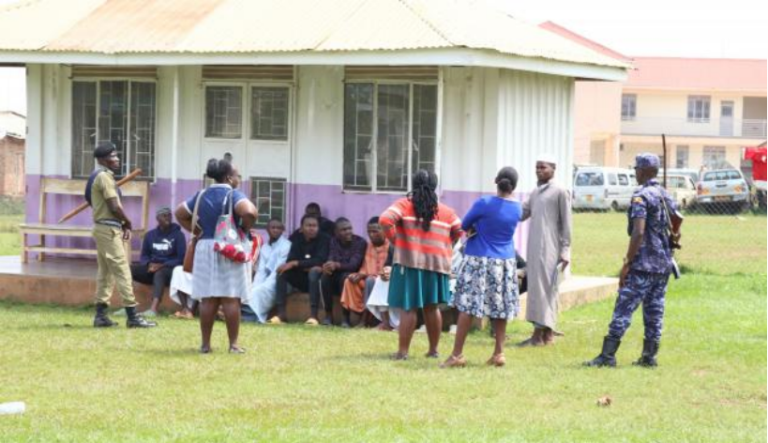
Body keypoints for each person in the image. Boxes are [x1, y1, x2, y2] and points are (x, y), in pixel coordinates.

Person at [585, 154, 677, 368]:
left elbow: (638, 232)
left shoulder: (641, 196)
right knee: (655, 311)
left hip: (643, 264)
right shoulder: (665, 195)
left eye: (637, 169)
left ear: (643, 171)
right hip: (662, 264)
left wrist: (627, 262)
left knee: (623, 309)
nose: (635, 172)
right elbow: (676, 226)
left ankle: (607, 356)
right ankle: (649, 357)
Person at [175, 158, 257, 354]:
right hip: (228, 247)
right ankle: (233, 345)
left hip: (205, 247)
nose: (239, 179)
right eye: (237, 175)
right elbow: (250, 212)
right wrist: (244, 229)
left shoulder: (201, 194)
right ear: (229, 178)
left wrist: (197, 231)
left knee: (208, 298)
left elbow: (179, 213)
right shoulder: (233, 194)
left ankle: (205, 345)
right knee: (231, 297)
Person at [442, 167, 522, 368]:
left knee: (467, 306)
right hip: (505, 263)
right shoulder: (518, 208)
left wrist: (476, 228)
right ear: (514, 186)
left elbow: (464, 225)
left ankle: (457, 355)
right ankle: (499, 353)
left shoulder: (484, 203)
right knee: (500, 308)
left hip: (479, 259)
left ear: (496, 181)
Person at [380, 169, 463, 360]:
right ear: (435, 186)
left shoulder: (404, 205)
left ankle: (403, 353)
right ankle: (433, 351)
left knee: (409, 307)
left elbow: (385, 220)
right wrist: (446, 246)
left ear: (414, 184)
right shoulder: (446, 211)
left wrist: (396, 241)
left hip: (410, 263)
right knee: (431, 307)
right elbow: (459, 230)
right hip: (436, 264)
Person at [87, 142, 156, 329]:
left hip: (103, 228)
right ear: (103, 159)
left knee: (106, 272)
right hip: (108, 230)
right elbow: (114, 206)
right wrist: (127, 221)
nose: (117, 159)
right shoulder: (104, 177)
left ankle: (101, 315)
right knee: (123, 270)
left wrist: (120, 223)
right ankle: (133, 316)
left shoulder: (100, 176)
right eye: (113, 156)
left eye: (116, 155)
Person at [517, 154, 572, 347]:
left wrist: (565, 250)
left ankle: (537, 335)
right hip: (534, 247)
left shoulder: (560, 191)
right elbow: (522, 213)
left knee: (546, 289)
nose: (539, 170)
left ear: (553, 169)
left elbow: (567, 223)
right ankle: (547, 335)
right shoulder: (536, 192)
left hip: (551, 248)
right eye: (537, 167)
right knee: (539, 288)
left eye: (543, 167)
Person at [271, 215, 330, 325]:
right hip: (301, 277)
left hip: (317, 279)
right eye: (309, 225)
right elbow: (290, 260)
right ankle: (281, 314)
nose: (312, 228)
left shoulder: (324, 239)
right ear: (301, 228)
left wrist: (297, 263)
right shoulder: (297, 239)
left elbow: (320, 260)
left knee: (313, 272)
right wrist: (299, 264)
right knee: (282, 272)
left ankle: (314, 316)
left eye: (315, 226)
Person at [130, 207, 186, 317]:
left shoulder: (178, 235)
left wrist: (162, 265)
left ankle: (153, 309)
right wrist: (148, 264)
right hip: (152, 269)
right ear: (157, 218)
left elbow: (181, 258)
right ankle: (129, 306)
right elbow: (144, 256)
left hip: (169, 271)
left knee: (160, 273)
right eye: (164, 215)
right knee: (127, 270)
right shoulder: (150, 235)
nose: (167, 217)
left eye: (169, 215)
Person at [340, 217, 391, 327]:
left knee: (370, 281)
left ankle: (364, 320)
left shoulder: (391, 246)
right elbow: (365, 267)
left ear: (384, 230)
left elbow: (386, 270)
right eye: (369, 232)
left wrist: (366, 275)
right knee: (349, 281)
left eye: (375, 231)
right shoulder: (369, 246)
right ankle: (355, 316)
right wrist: (359, 275)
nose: (371, 235)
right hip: (369, 277)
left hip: (386, 281)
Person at [242, 218, 291, 323]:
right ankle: (246, 315)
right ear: (267, 229)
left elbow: (277, 270)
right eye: (273, 227)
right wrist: (255, 286)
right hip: (265, 282)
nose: (275, 230)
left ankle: (252, 317)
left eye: (278, 228)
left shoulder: (286, 245)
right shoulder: (264, 247)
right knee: (252, 290)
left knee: (260, 291)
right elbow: (261, 271)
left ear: (283, 230)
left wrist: (263, 286)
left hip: (277, 282)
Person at [320, 217, 367, 327]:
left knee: (344, 278)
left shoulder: (360, 242)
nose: (348, 231)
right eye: (344, 230)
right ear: (336, 232)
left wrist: (336, 265)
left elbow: (354, 265)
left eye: (350, 228)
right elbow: (331, 257)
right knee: (325, 277)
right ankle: (328, 315)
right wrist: (328, 265)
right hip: (338, 273)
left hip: (354, 276)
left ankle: (345, 318)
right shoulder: (334, 241)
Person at [365, 245, 399, 331]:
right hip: (397, 276)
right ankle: (386, 324)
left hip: (414, 276)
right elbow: (388, 264)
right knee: (381, 280)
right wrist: (387, 270)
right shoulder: (393, 246)